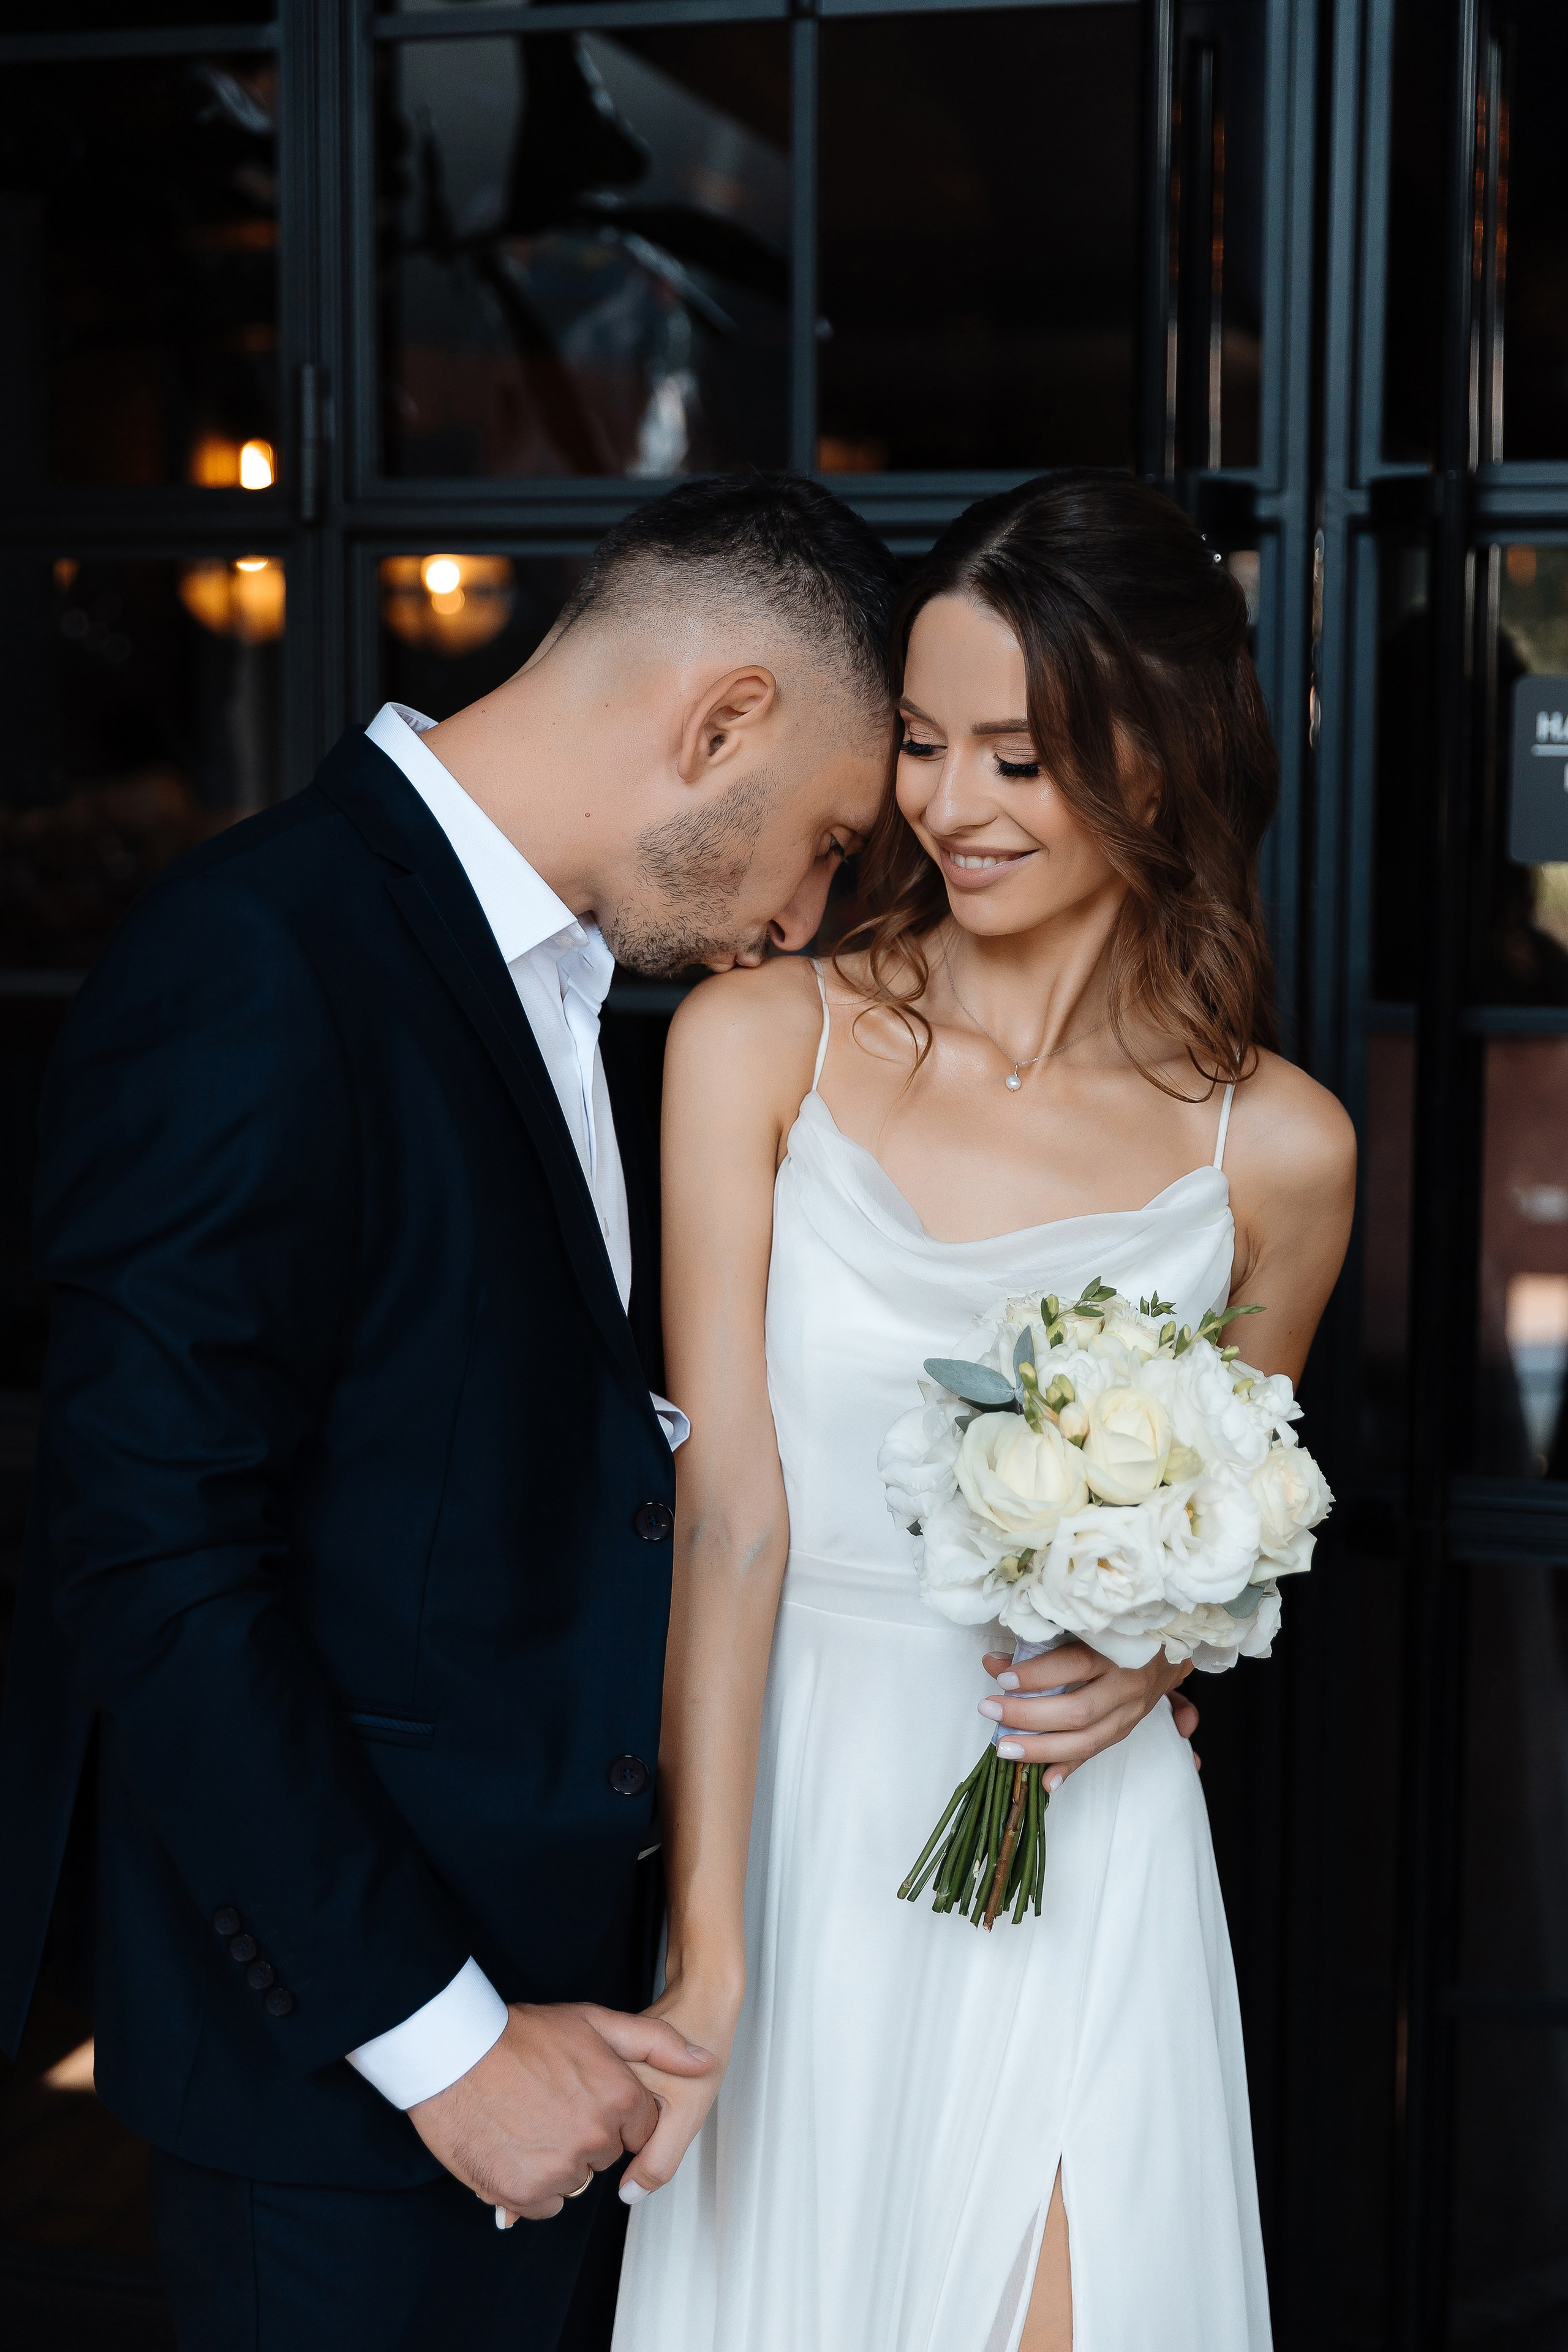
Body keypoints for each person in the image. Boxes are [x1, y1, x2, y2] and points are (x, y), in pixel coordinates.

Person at [0, 476, 905, 2350]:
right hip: (354, 2084)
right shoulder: (260, 959)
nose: (801, 919)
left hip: (574, 2048)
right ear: (721, 718)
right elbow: (153, 1563)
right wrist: (447, 2045)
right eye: (823, 841)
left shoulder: (567, 986)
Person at [611, 473, 1355, 2352]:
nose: (950, 806)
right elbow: (727, 1519)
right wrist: (709, 1947)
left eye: (1020, 759)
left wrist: (1159, 1648)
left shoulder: (1278, 1147)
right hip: (806, 1811)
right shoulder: (760, 1045)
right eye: (928, 745)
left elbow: (1225, 1523)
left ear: (1160, 769)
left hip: (1079, 1838)